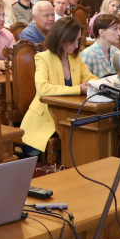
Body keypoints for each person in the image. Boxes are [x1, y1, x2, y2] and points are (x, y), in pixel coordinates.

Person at [20, 17, 94, 157]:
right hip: (43, 122)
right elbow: (43, 89)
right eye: (73, 40)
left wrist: (100, 84)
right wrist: (78, 89)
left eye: (78, 40)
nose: (76, 44)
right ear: (61, 38)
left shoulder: (75, 58)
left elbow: (90, 78)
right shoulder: (43, 58)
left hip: (67, 118)